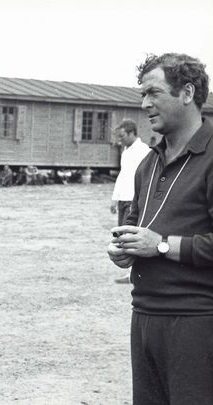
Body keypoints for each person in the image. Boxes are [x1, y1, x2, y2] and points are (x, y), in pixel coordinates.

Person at [108, 53, 213, 404]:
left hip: (197, 321)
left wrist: (162, 245)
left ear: (187, 92)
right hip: (145, 316)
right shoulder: (148, 163)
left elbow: (159, 241)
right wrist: (125, 250)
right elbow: (140, 227)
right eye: (142, 95)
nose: (144, 104)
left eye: (153, 93)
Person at [109, 119, 151, 284]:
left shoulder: (145, 151)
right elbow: (123, 175)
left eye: (122, 136)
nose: (120, 140)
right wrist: (115, 198)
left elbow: (147, 178)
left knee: (132, 236)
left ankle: (135, 273)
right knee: (122, 237)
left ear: (132, 132)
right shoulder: (125, 151)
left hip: (135, 200)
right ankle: (130, 272)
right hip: (123, 198)